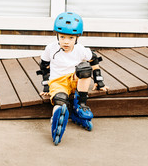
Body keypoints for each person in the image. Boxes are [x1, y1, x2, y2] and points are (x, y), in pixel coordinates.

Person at [37, 12, 108, 146]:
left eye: (70, 37)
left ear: (77, 37)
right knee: (60, 100)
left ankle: (80, 105)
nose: (66, 41)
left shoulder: (81, 49)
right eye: (62, 37)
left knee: (84, 69)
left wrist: (99, 81)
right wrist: (46, 86)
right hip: (58, 81)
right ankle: (56, 118)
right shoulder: (50, 48)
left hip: (75, 79)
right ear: (56, 35)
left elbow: (94, 59)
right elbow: (44, 66)